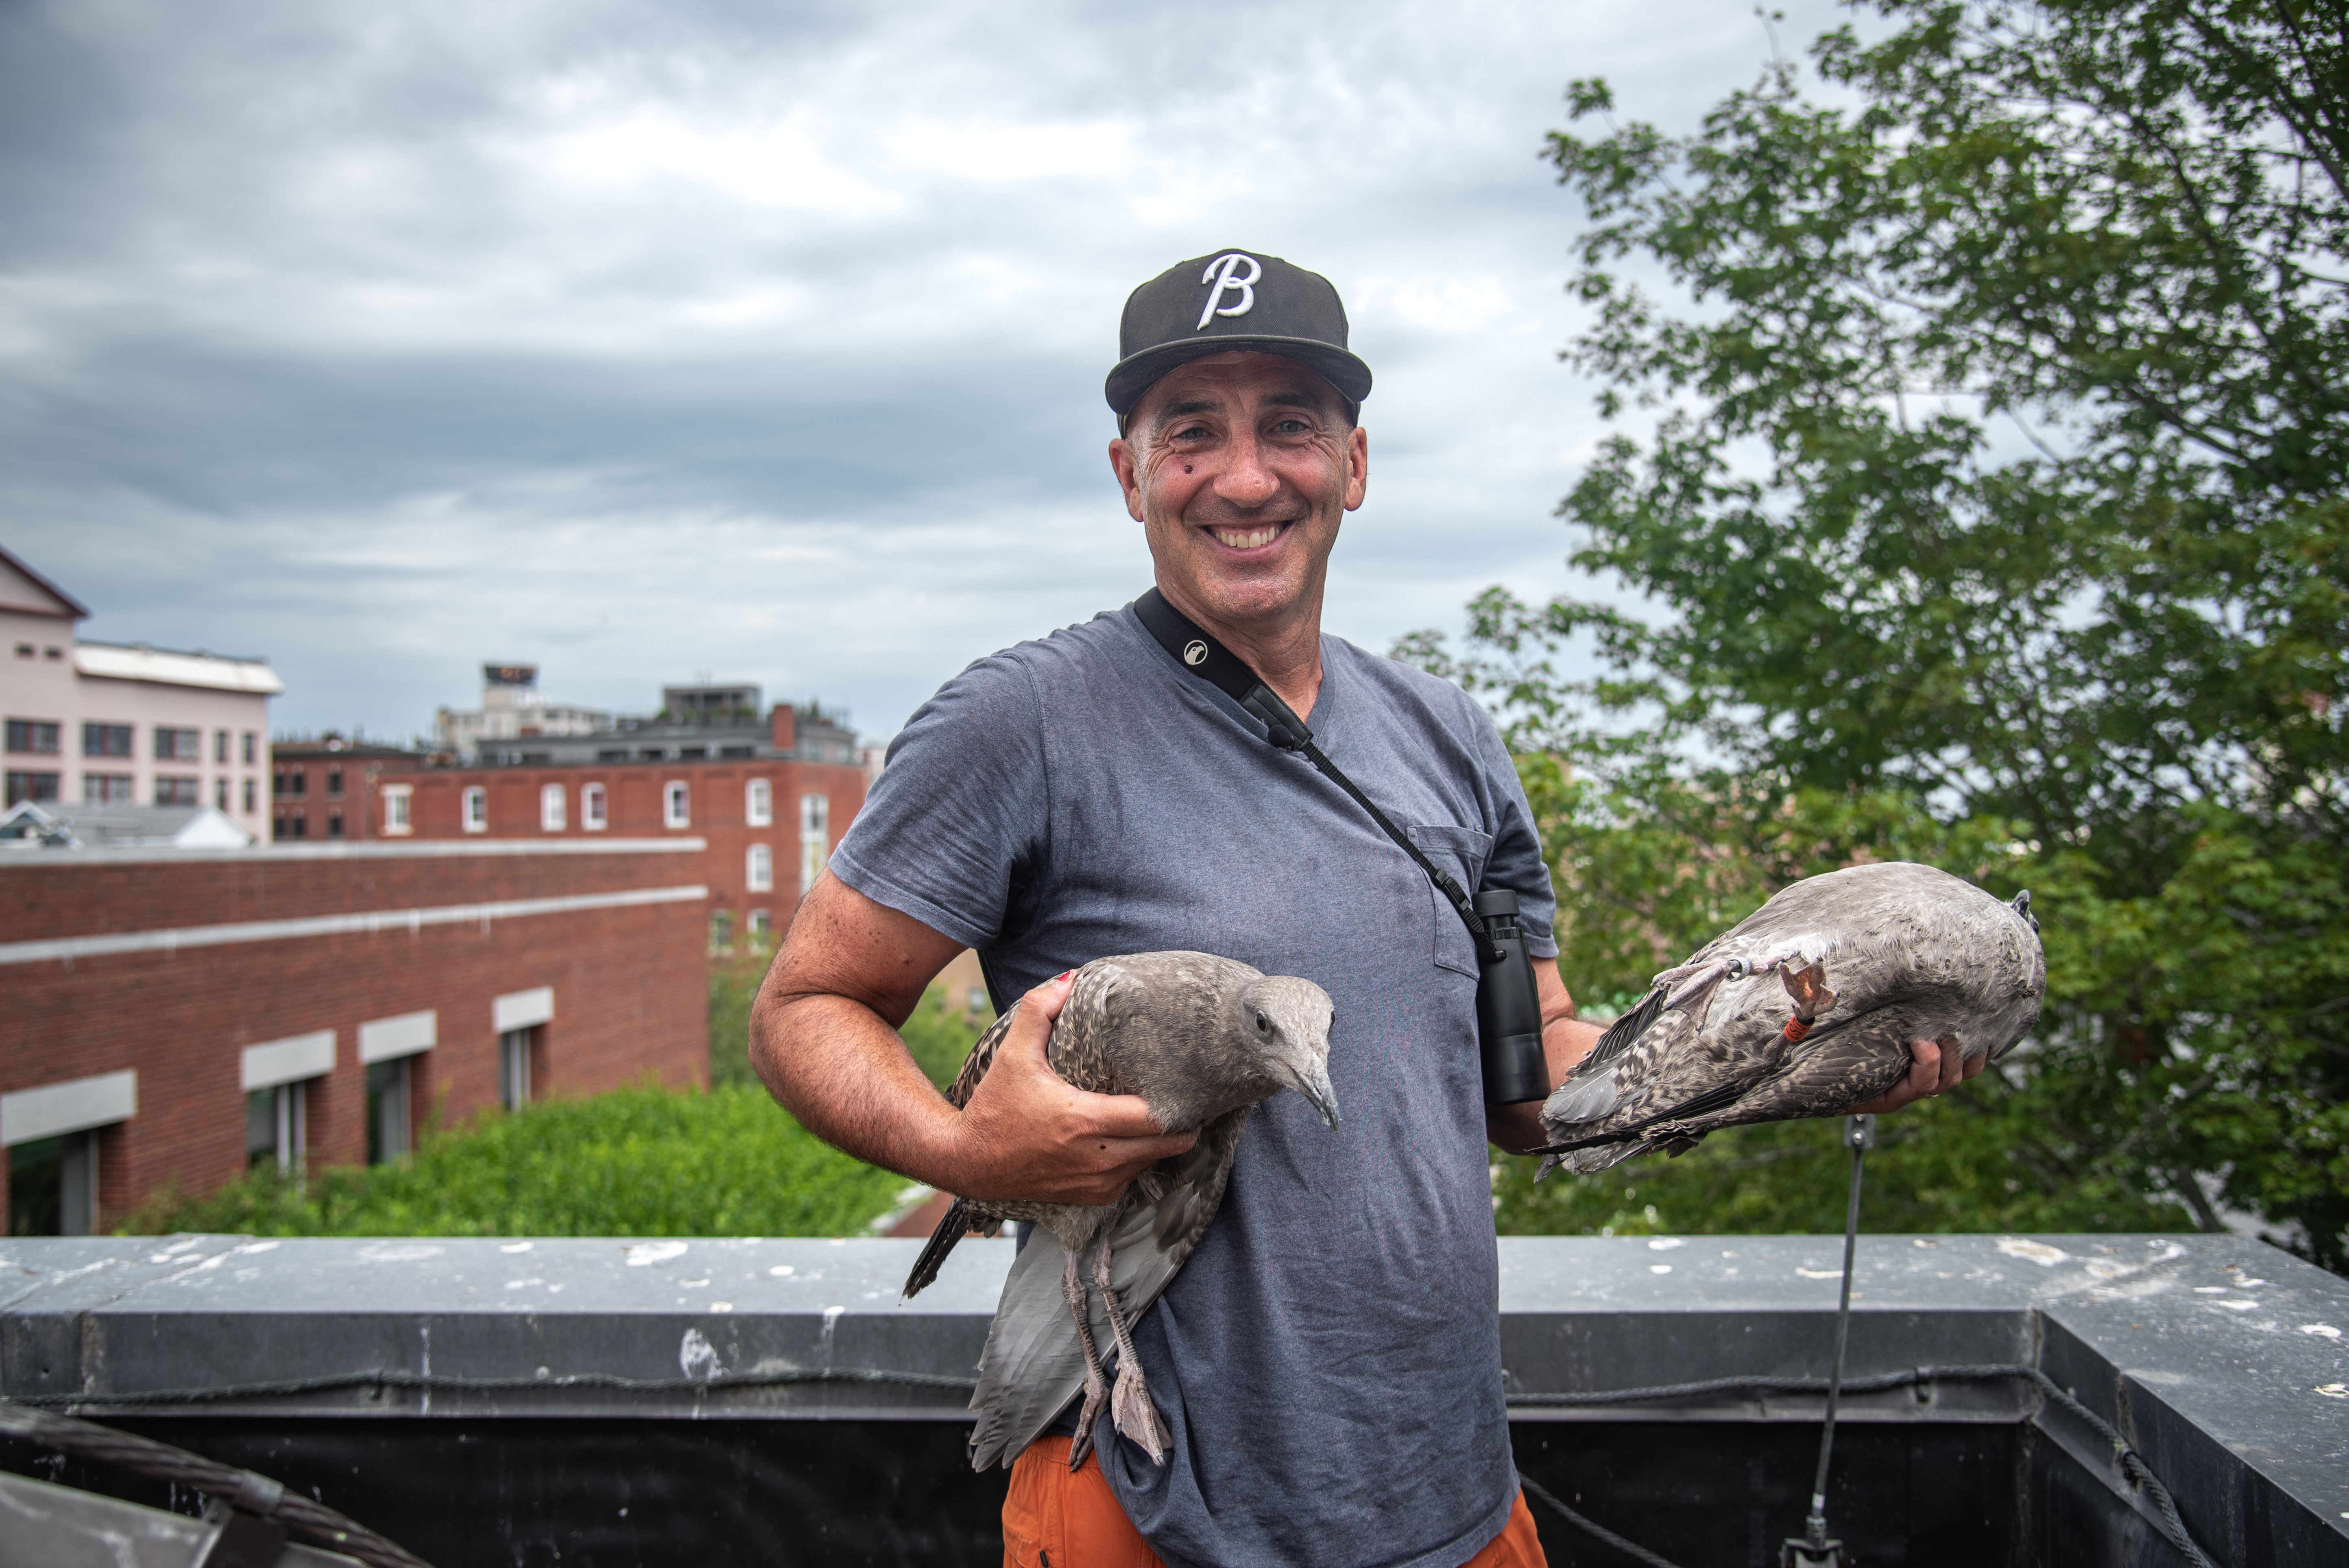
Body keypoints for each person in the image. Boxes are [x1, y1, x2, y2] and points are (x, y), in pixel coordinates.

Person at [748, 249, 1978, 1568]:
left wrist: (1783, 1057)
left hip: (1451, 1492)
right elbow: (805, 1008)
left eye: (1290, 425)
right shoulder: (1023, 723)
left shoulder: (1448, 739)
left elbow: (1535, 1082)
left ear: (1355, 464)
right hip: (1149, 1504)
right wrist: (966, 1154)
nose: (1245, 475)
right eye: (1192, 434)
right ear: (1128, 476)